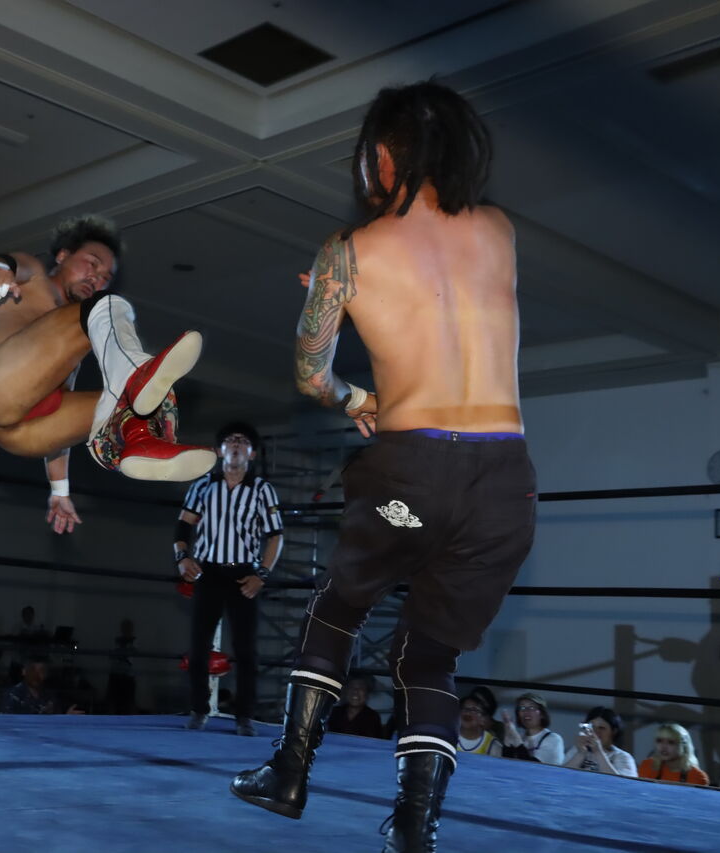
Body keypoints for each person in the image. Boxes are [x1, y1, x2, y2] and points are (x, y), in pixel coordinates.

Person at [230, 81, 536, 853]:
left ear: (384, 155)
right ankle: (412, 830)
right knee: (427, 652)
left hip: (414, 470)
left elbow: (312, 376)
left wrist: (354, 392)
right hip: (506, 484)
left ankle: (289, 773)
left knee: (339, 606)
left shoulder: (349, 250)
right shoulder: (499, 228)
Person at [0, 215, 216, 533]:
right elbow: (12, 262)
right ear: (63, 255)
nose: (95, 279)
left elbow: (62, 416)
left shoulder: (73, 333)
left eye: (104, 277)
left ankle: (142, 442)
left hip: (23, 436)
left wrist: (60, 491)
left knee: (127, 400)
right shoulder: (36, 277)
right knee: (106, 308)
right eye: (92, 264)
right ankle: (135, 374)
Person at [177, 421, 283, 737]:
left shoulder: (262, 489)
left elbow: (276, 536)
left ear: (252, 454)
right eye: (231, 440)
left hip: (243, 574)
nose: (236, 444)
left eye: (243, 441)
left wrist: (261, 574)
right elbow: (183, 525)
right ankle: (198, 709)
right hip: (208, 571)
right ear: (219, 450)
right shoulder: (202, 485)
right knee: (198, 645)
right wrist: (182, 558)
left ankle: (244, 716)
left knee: (246, 648)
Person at [562, 707, 636, 777]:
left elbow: (621, 783)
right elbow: (561, 776)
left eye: (601, 728)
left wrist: (598, 752)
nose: (595, 732)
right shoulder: (576, 750)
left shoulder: (623, 757)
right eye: (591, 727)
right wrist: (580, 754)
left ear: (614, 731)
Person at [0, 656, 82, 715]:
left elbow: (57, 724)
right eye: (33, 671)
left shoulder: (49, 697)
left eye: (41, 671)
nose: (36, 676)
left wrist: (67, 718)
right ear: (24, 671)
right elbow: (6, 723)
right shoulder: (13, 695)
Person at [500, 693, 565, 765]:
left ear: (542, 714)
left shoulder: (553, 739)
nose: (526, 711)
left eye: (531, 707)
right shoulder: (522, 739)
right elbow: (506, 765)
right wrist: (507, 742)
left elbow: (532, 767)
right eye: (522, 708)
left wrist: (517, 741)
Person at [638, 722, 710, 786]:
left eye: (671, 742)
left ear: (683, 746)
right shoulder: (647, 766)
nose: (663, 746)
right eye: (659, 741)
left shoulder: (697, 777)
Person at [455, 688, 501, 757]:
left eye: (474, 710)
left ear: (483, 719)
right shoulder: (449, 736)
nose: (468, 713)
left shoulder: (492, 744)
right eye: (465, 709)